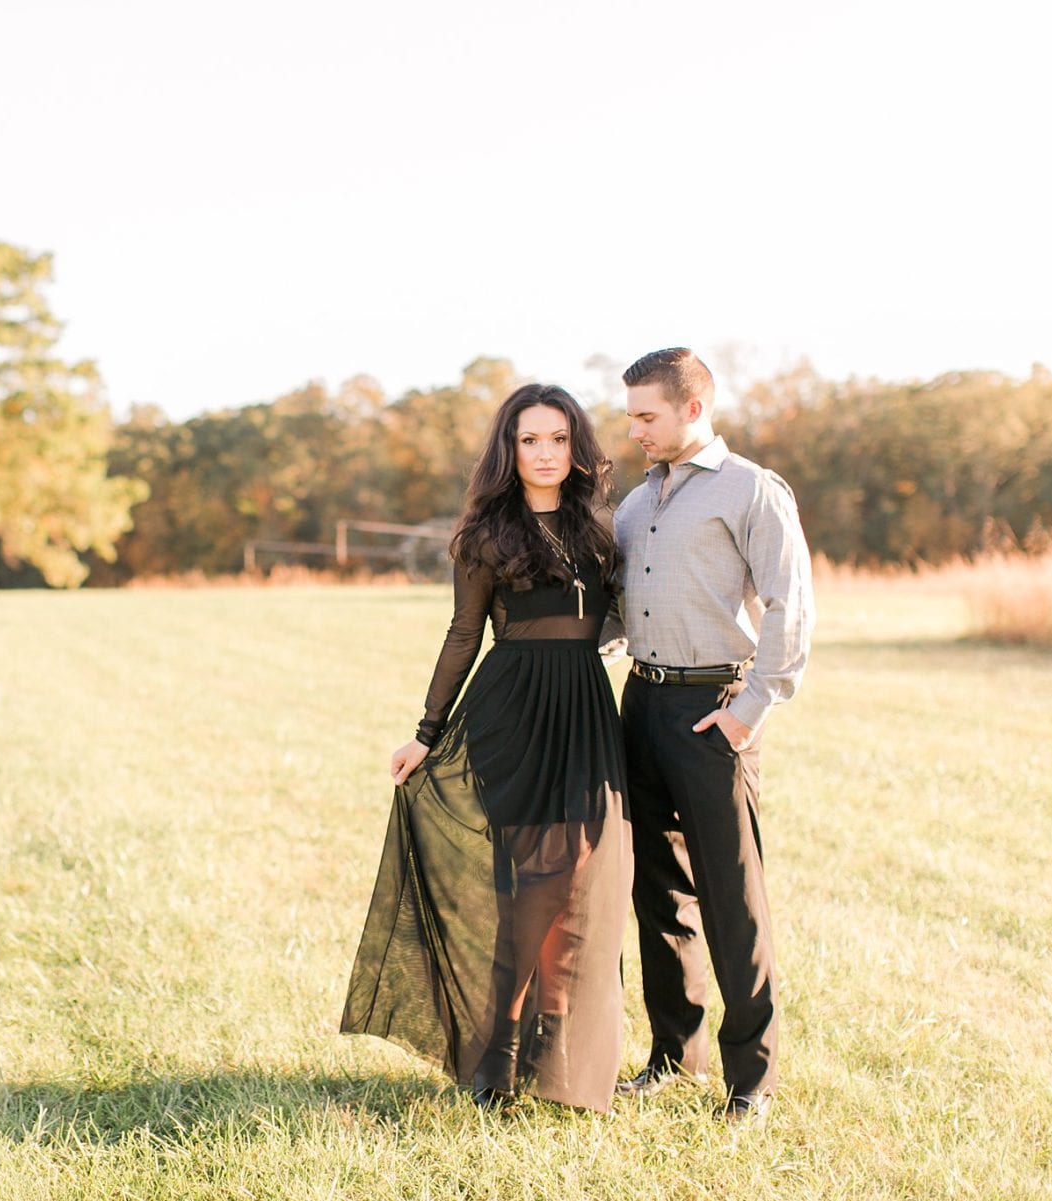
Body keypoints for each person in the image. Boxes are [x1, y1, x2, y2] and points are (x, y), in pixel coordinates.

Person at [341, 383, 632, 1113]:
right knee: (530, 891)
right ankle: (495, 1063)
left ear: (577, 446)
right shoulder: (484, 533)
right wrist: (427, 731)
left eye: (558, 439)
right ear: (509, 448)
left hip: (588, 710)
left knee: (579, 885)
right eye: (530, 439)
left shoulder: (598, 523)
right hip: (513, 712)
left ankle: (556, 1056)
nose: (544, 453)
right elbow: (463, 635)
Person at [602, 347, 815, 1124]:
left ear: (693, 408)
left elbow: (792, 605)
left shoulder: (752, 490)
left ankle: (751, 1079)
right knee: (656, 890)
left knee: (733, 895)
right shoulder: (634, 505)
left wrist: (750, 707)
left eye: (646, 416)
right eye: (630, 416)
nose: (634, 431)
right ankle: (673, 1055)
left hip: (713, 710)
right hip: (642, 706)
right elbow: (620, 615)